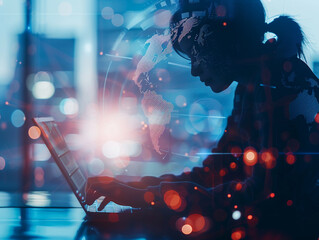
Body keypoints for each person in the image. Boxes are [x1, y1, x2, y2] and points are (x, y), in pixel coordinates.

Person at [86, 0, 319, 237]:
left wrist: (145, 195)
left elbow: (258, 198)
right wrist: (137, 188)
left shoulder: (278, 86)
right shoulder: (255, 86)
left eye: (197, 54)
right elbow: (215, 171)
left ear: (224, 42)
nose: (194, 70)